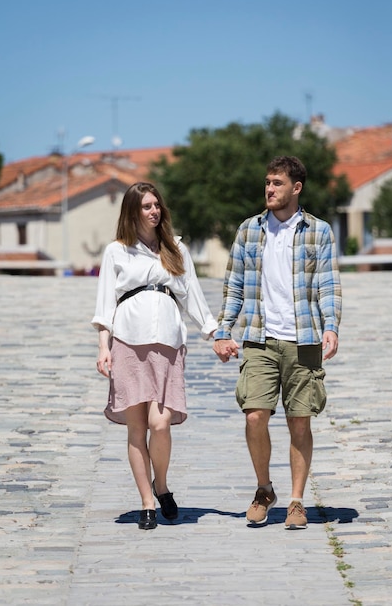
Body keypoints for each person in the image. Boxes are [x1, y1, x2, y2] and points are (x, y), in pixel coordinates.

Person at [213, 156, 342, 530]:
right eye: (267, 182)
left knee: (300, 423)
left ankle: (297, 501)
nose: (269, 189)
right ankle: (263, 488)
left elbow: (328, 285)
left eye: (277, 183)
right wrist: (224, 330)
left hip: (303, 339)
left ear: (296, 188)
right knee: (255, 415)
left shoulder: (318, 232)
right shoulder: (249, 230)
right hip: (259, 338)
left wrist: (330, 325)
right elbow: (234, 285)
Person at [92, 182, 217, 530]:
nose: (154, 211)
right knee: (136, 429)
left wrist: (213, 332)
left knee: (160, 425)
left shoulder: (175, 248)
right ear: (133, 212)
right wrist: (104, 347)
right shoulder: (116, 251)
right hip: (127, 344)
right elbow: (105, 306)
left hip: (167, 342)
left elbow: (193, 295)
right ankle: (147, 500)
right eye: (146, 206)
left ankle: (162, 485)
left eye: (156, 205)